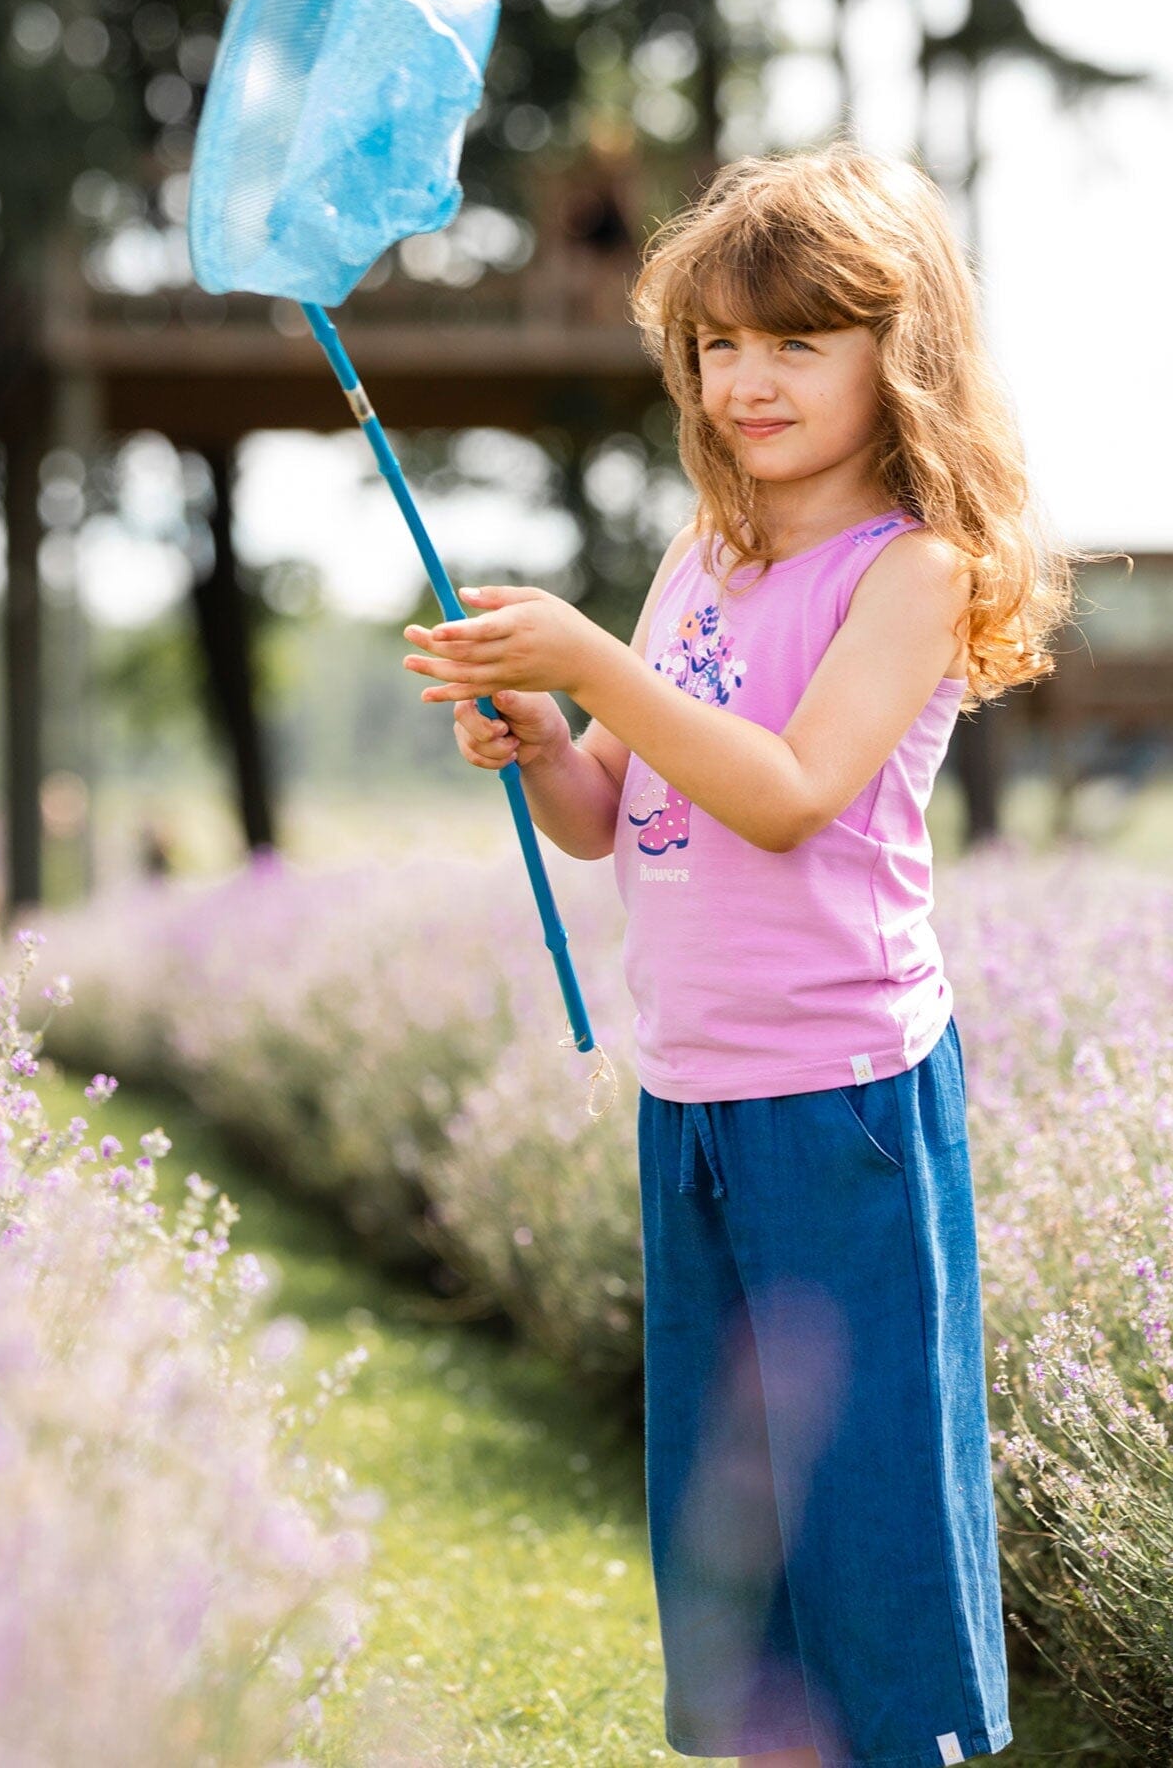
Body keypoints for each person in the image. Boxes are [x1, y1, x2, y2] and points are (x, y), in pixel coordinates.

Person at [401, 142, 1082, 1768]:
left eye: (798, 340)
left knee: (866, 1486)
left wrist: (591, 662)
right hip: (694, 1085)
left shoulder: (908, 573)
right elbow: (607, 812)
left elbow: (782, 796)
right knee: (734, 1491)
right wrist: (542, 730)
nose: (749, 380)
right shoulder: (702, 555)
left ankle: (906, 1742)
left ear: (895, 352)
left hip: (840, 1095)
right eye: (720, 345)